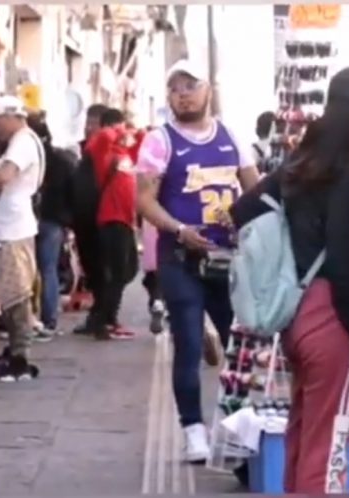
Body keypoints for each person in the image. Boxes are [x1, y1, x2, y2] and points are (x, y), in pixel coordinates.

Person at [231, 68, 349, 493]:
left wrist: (286, 253)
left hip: (297, 311)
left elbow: (244, 208)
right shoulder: (346, 170)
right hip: (336, 315)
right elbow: (343, 252)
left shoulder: (303, 162)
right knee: (331, 437)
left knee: (304, 429)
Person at [135, 59, 260, 462]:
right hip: (180, 257)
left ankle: (241, 425)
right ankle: (193, 430)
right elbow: (144, 199)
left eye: (191, 85)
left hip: (228, 259)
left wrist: (243, 222)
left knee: (237, 346)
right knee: (188, 343)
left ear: (209, 90)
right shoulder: (161, 140)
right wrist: (177, 230)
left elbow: (253, 191)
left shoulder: (231, 136)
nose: (183, 93)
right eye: (175, 87)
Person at [0, 96, 46, 381]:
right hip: (11, 227)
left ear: (9, 117)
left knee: (16, 294)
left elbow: (5, 174)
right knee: (9, 292)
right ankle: (15, 350)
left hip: (14, 228)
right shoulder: (22, 140)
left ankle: (20, 356)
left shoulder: (22, 141)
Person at [84, 108, 140, 340]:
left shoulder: (126, 154)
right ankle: (106, 321)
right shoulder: (104, 151)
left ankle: (106, 317)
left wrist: (135, 132)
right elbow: (103, 137)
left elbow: (143, 143)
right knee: (115, 272)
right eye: (120, 126)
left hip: (126, 220)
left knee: (128, 270)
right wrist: (118, 129)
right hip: (111, 218)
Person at [72, 108, 127, 336]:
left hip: (108, 219)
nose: (89, 127)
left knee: (112, 271)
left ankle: (104, 316)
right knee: (100, 271)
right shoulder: (92, 148)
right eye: (88, 122)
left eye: (94, 123)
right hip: (91, 219)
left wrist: (121, 132)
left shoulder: (113, 149)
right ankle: (101, 317)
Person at [27, 111, 74, 337]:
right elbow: (71, 192)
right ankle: (49, 320)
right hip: (54, 220)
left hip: (27, 219)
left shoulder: (25, 156)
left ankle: (27, 318)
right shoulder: (62, 161)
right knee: (49, 270)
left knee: (26, 270)